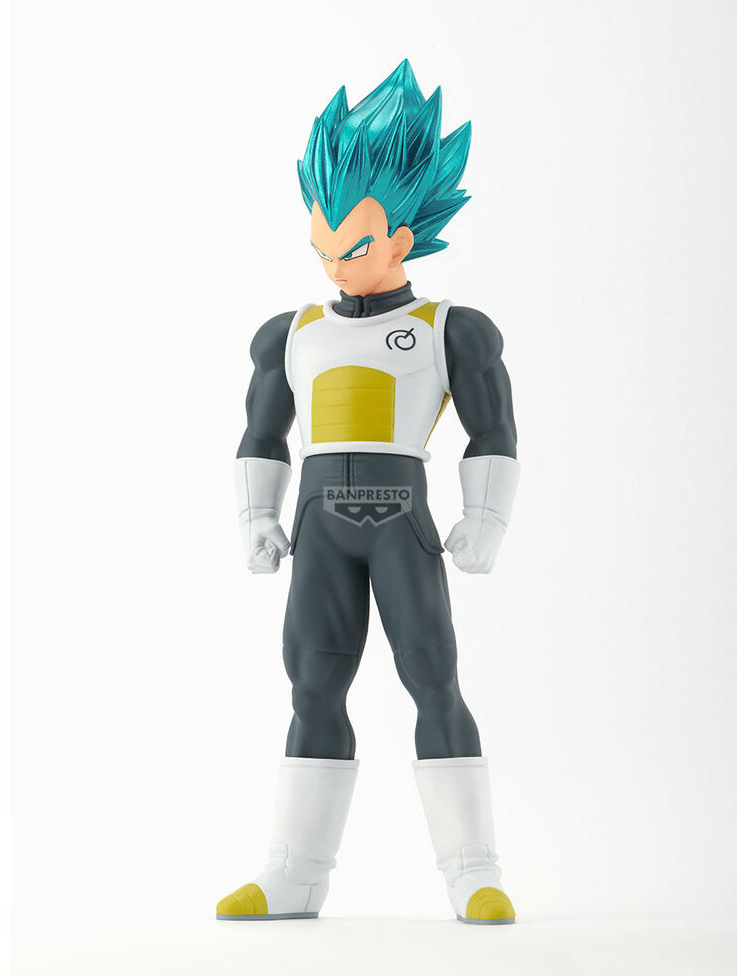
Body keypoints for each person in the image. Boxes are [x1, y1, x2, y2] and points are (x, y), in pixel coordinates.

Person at [216, 60, 520, 925]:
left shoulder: (449, 329)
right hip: (318, 527)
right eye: (321, 246)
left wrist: (487, 517)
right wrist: (255, 515)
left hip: (401, 524)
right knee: (312, 687)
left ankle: (473, 871)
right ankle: (294, 874)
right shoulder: (291, 332)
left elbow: (492, 430)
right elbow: (262, 431)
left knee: (434, 681)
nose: (335, 265)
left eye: (353, 247)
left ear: (404, 236)